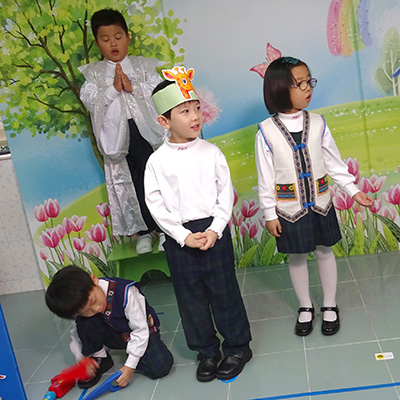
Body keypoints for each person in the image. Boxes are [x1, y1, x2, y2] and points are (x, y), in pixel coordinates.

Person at [144, 67, 252, 382]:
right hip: (179, 238)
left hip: (214, 231)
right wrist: (182, 236)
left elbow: (224, 194)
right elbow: (155, 205)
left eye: (197, 108)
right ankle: (206, 352)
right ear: (164, 121)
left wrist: (215, 229)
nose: (195, 116)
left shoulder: (212, 153)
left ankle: (238, 347)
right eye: (184, 111)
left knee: (224, 292)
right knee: (190, 299)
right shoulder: (157, 161)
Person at [255, 56, 374, 337]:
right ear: (279, 88)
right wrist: (270, 214)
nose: (308, 87)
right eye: (299, 83)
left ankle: (330, 304)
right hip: (289, 210)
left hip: (321, 205)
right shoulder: (266, 132)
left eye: (309, 81)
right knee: (296, 257)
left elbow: (334, 163)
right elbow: (265, 178)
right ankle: (305, 306)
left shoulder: (318, 123)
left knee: (324, 251)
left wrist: (354, 191)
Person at [79, 8, 166, 254]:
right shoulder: (94, 75)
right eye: (105, 39)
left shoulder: (143, 67)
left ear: (128, 37)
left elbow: (159, 92)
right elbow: (90, 100)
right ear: (98, 43)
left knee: (155, 178)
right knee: (131, 183)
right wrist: (113, 89)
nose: (113, 44)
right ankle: (143, 233)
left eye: (118, 37)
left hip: (146, 132)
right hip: (116, 138)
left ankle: (165, 230)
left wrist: (133, 86)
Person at [45, 265, 173, 388]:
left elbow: (141, 330)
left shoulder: (126, 292)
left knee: (160, 368)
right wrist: (82, 359)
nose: (96, 309)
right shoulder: (78, 306)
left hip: (142, 332)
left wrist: (130, 365)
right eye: (85, 311)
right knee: (85, 322)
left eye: (94, 301)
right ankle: (101, 357)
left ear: (94, 279)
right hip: (114, 334)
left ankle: (136, 353)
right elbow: (76, 335)